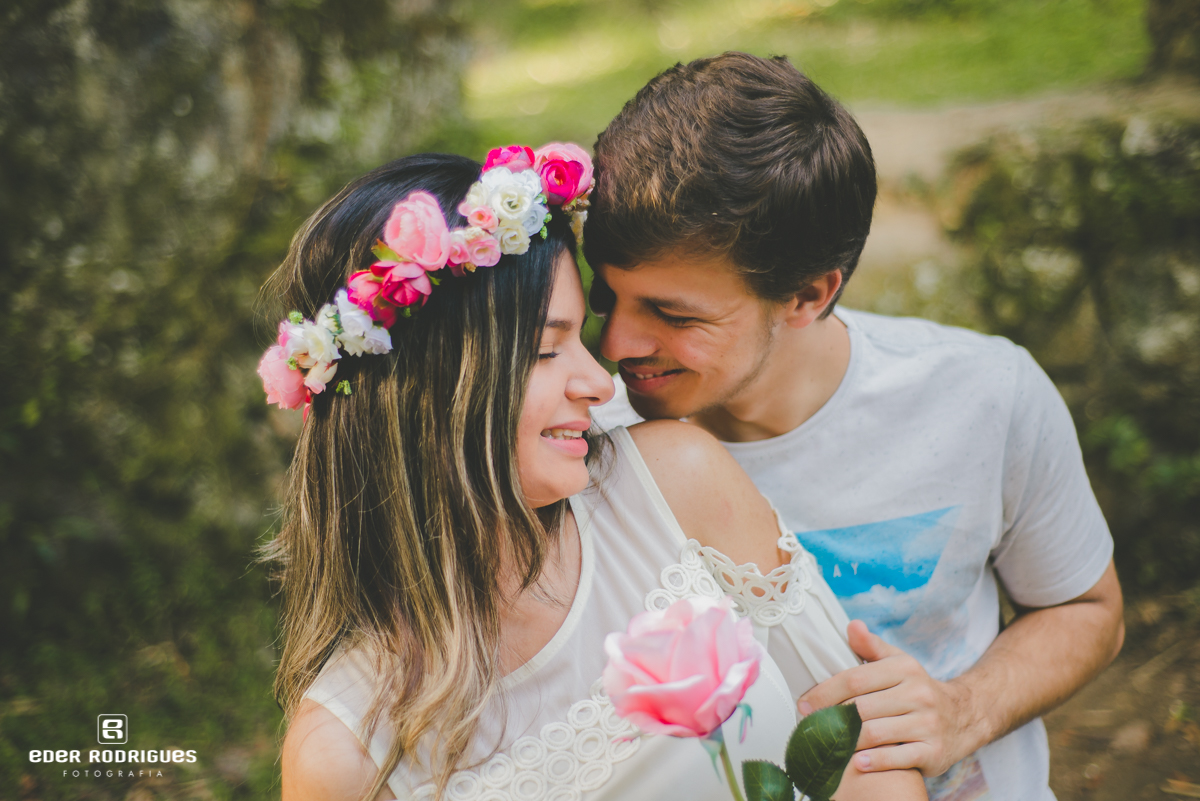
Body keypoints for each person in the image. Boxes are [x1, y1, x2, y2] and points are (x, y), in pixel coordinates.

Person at [262, 149, 927, 800]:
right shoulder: (344, 755)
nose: (596, 378)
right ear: (428, 395)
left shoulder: (676, 483)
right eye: (549, 349)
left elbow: (877, 757)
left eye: (581, 335)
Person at [584, 52, 1124, 801]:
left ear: (808, 294)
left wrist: (964, 709)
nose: (614, 348)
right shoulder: (583, 450)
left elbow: (1084, 607)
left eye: (674, 315)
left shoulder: (986, 395)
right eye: (606, 298)